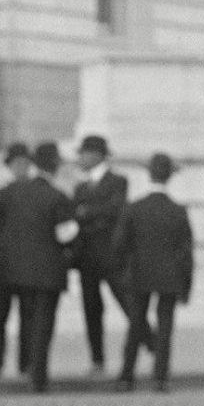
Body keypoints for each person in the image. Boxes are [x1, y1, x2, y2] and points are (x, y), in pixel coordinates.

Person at [0, 143, 78, 392]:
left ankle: (18, 365)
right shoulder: (57, 196)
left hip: (14, 269)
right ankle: (38, 373)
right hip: (48, 269)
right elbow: (67, 235)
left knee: (22, 318)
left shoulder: (9, 193)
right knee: (42, 322)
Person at [112, 155, 194, 393]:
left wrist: (123, 272)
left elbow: (119, 244)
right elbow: (186, 254)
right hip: (169, 276)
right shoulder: (177, 211)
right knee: (165, 326)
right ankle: (161, 377)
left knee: (136, 325)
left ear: (149, 175)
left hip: (139, 274)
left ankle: (127, 375)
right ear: (170, 176)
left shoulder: (135, 208)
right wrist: (186, 285)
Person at [68, 135, 132, 377]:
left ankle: (149, 341)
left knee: (127, 301)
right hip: (87, 257)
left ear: (96, 155)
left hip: (111, 255)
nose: (80, 159)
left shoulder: (117, 181)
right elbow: (78, 214)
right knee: (91, 309)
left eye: (83, 154)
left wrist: (87, 213)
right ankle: (97, 359)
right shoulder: (81, 187)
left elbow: (115, 209)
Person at [0, 142, 27, 375]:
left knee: (26, 318)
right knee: (0, 317)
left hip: (24, 264)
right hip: (2, 264)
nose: (21, 168)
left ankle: (25, 363)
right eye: (16, 164)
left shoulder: (35, 194)